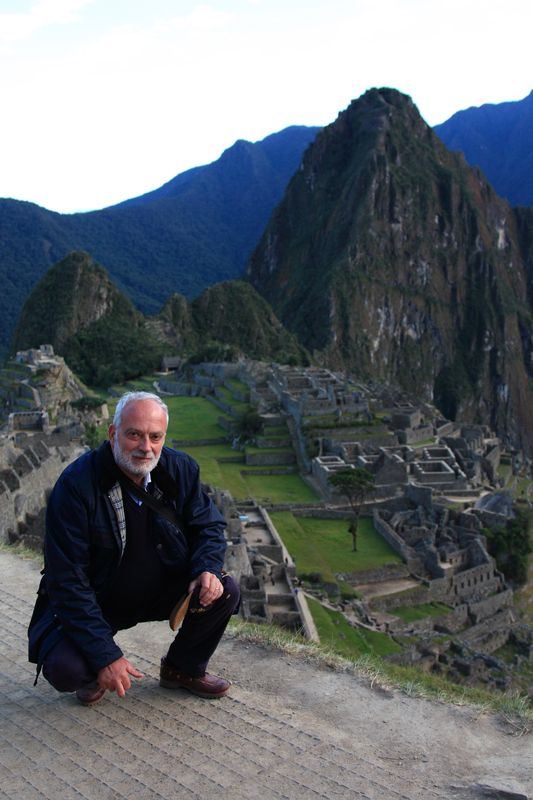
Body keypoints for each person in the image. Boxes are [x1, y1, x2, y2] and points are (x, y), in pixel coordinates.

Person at [28, 392, 240, 706]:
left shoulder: (180, 469)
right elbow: (67, 581)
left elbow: (206, 525)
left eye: (155, 437)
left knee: (222, 590)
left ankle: (181, 668)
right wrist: (105, 657)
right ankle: (92, 674)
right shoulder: (76, 486)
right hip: (98, 600)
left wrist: (206, 567)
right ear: (113, 434)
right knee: (66, 670)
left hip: (159, 590)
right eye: (134, 435)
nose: (146, 447)